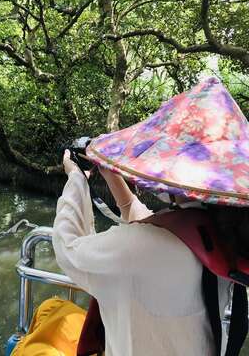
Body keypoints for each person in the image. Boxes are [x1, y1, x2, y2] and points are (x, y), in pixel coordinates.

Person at [51, 77, 249, 356]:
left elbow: (67, 248)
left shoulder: (140, 248)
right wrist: (112, 176)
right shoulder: (225, 233)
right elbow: (152, 227)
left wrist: (75, 179)